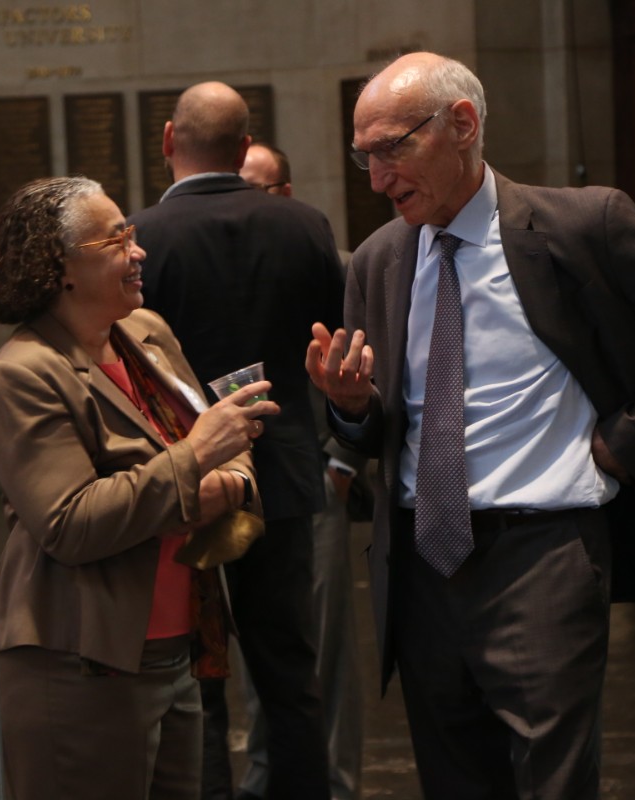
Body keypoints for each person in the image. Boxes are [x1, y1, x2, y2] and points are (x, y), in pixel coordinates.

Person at [305, 52, 635, 799]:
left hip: (544, 553)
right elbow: (372, 434)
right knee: (454, 778)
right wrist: (350, 408)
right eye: (364, 156)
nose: (378, 180)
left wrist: (624, 444)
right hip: (422, 563)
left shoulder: (583, 227)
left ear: (462, 124)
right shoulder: (377, 262)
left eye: (394, 149)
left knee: (550, 779)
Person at [0, 176, 281, 800]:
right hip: (82, 662)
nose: (137, 251)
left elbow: (236, 453)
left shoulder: (147, 334)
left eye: (133, 235)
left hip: (178, 647)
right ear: (61, 268)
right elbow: (72, 524)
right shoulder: (23, 373)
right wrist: (198, 461)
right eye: (117, 239)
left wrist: (209, 468)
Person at [128, 83, 346, 800]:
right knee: (289, 673)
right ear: (245, 147)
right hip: (277, 475)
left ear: (167, 140)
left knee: (196, 673)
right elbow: (332, 347)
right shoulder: (306, 227)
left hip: (177, 481)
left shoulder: (138, 241)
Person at [238, 142, 365, 800]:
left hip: (315, 483)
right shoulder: (222, 269)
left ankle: (336, 785)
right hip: (237, 490)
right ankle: (267, 780)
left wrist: (341, 465)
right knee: (262, 651)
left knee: (323, 647)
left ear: (285, 194)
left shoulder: (330, 265)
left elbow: (366, 373)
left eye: (258, 189)